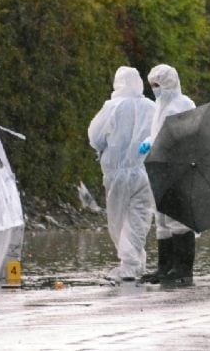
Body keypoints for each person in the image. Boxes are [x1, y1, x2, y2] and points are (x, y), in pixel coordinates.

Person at [88, 66, 156, 283]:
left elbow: (95, 137)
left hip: (116, 175)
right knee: (139, 218)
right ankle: (136, 261)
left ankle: (129, 265)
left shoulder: (112, 108)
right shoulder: (151, 107)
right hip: (145, 172)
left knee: (118, 220)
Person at [138, 64, 197, 284]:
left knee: (178, 218)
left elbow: (179, 136)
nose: (154, 89)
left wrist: (154, 143)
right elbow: (157, 133)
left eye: (157, 85)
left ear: (168, 83)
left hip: (178, 168)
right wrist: (148, 142)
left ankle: (183, 269)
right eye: (152, 85)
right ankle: (165, 267)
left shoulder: (183, 104)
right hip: (160, 169)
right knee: (161, 218)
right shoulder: (160, 105)